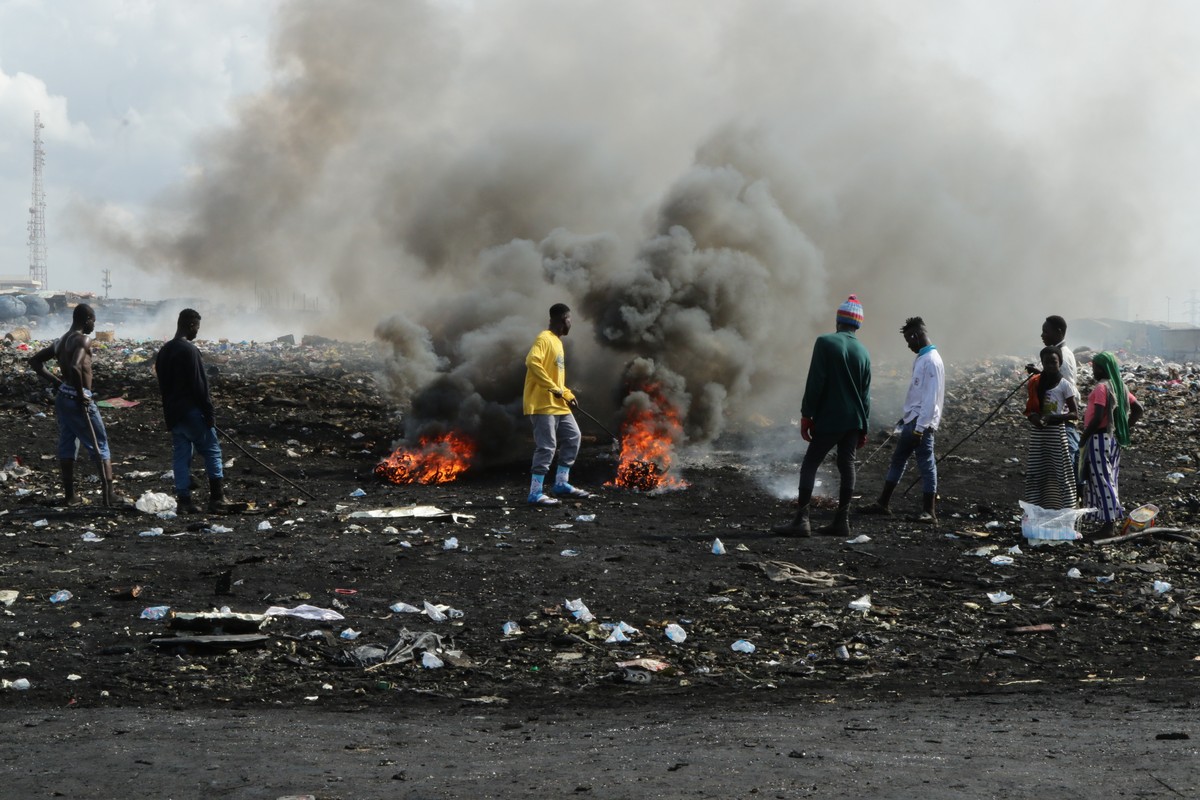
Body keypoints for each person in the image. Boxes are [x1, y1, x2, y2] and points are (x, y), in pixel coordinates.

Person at [772, 295, 871, 537]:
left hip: (831, 417)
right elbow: (866, 395)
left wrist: (807, 415)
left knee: (811, 462)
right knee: (846, 464)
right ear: (858, 324)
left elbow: (815, 382)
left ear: (839, 321)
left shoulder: (825, 342)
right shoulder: (864, 352)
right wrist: (864, 427)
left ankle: (801, 520)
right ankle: (842, 521)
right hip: (854, 419)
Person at [29, 303, 125, 507]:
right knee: (100, 445)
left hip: (63, 397)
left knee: (68, 443)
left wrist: (58, 383)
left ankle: (70, 496)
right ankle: (109, 495)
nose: (93, 326)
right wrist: (81, 393)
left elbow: (35, 362)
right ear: (87, 319)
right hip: (78, 399)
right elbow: (74, 366)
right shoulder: (83, 339)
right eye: (93, 321)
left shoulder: (61, 341)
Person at [860, 316, 945, 522]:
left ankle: (929, 512)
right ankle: (883, 503)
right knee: (898, 459)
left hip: (920, 425)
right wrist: (907, 417)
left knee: (926, 464)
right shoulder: (923, 359)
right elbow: (919, 394)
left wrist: (920, 428)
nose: (908, 345)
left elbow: (930, 399)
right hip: (913, 421)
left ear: (916, 335)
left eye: (909, 340)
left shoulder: (931, 361)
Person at [155, 309, 232, 514]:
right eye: (197, 327)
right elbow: (200, 386)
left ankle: (184, 502)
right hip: (192, 412)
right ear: (190, 325)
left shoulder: (164, 351)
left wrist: (168, 415)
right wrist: (209, 413)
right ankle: (217, 498)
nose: (197, 332)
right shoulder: (190, 350)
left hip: (174, 414)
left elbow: (163, 386)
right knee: (212, 451)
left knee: (181, 457)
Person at [523, 303, 593, 506]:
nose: (571, 323)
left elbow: (557, 379)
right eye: (569, 319)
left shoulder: (558, 343)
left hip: (558, 404)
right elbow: (531, 362)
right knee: (547, 447)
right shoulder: (543, 338)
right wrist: (555, 388)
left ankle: (561, 484)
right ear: (562, 319)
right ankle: (535, 493)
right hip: (542, 404)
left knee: (573, 437)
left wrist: (566, 393)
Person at [1079, 352, 1144, 538]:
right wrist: (1122, 430)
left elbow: (1098, 416)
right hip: (1112, 440)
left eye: (1095, 367)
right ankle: (1106, 523)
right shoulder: (1120, 386)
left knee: (1102, 480)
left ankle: (1108, 527)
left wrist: (1085, 436)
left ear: (1102, 368)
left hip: (1099, 439)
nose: (1093, 371)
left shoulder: (1102, 387)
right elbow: (1139, 409)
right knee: (1109, 478)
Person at [1022, 346, 1080, 512]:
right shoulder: (1035, 382)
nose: (1050, 366)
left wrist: (1052, 418)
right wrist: (1033, 418)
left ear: (1059, 363)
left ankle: (1064, 510)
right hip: (1039, 434)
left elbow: (1074, 414)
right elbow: (1031, 408)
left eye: (1053, 362)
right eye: (1046, 362)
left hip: (1056, 434)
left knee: (1061, 473)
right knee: (1036, 472)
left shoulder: (1065, 385)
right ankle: (1036, 510)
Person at [1030, 315, 1080, 467]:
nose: (1042, 335)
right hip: (1058, 419)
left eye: (1046, 332)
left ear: (1058, 332)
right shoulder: (1059, 353)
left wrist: (1055, 417)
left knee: (1064, 464)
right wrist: (1039, 373)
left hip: (1061, 421)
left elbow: (1065, 386)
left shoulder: (1062, 356)